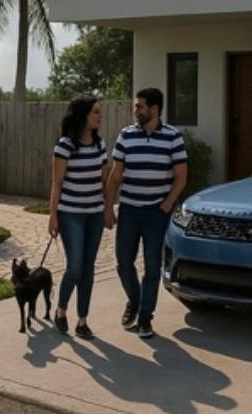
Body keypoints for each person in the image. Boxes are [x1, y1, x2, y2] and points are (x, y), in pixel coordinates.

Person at [104, 87, 189, 339]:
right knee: (123, 262)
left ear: (154, 109)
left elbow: (181, 176)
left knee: (152, 267)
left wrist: (168, 204)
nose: (136, 110)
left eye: (139, 106)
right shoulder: (126, 136)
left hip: (156, 213)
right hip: (129, 210)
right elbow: (115, 175)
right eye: (136, 106)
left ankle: (144, 317)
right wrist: (108, 207)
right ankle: (135, 299)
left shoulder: (173, 137)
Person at [48, 96, 108, 340]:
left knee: (88, 267)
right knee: (74, 267)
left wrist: (108, 209)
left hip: (95, 214)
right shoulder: (65, 146)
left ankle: (82, 320)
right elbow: (57, 183)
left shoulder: (100, 145)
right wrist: (52, 216)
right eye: (95, 112)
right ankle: (61, 310)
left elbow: (104, 180)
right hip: (70, 213)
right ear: (83, 115)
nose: (100, 116)